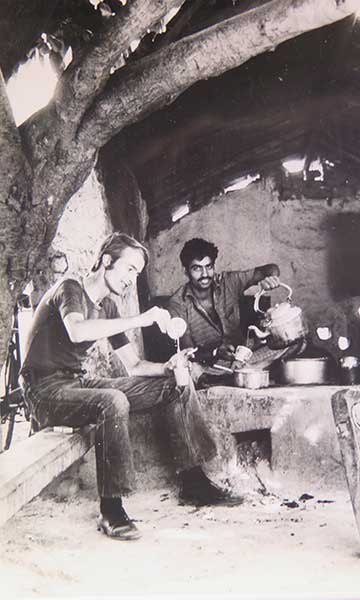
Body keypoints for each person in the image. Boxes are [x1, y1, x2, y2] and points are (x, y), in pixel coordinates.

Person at [19, 233, 242, 543]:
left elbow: (134, 366)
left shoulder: (108, 306)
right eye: (129, 269)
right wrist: (141, 319)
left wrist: (169, 366)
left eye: (137, 273)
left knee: (175, 383)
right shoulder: (71, 289)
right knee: (112, 401)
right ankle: (112, 509)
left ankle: (194, 482)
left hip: (77, 384)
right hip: (44, 390)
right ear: (107, 261)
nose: (132, 279)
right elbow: (78, 330)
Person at [168, 238, 297, 379]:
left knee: (293, 342)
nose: (205, 274)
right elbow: (187, 351)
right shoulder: (178, 303)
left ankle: (243, 372)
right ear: (186, 271)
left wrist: (270, 279)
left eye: (209, 267)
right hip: (211, 364)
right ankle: (244, 373)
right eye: (197, 268)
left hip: (243, 357)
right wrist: (216, 352)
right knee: (191, 371)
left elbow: (271, 269)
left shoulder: (228, 282)